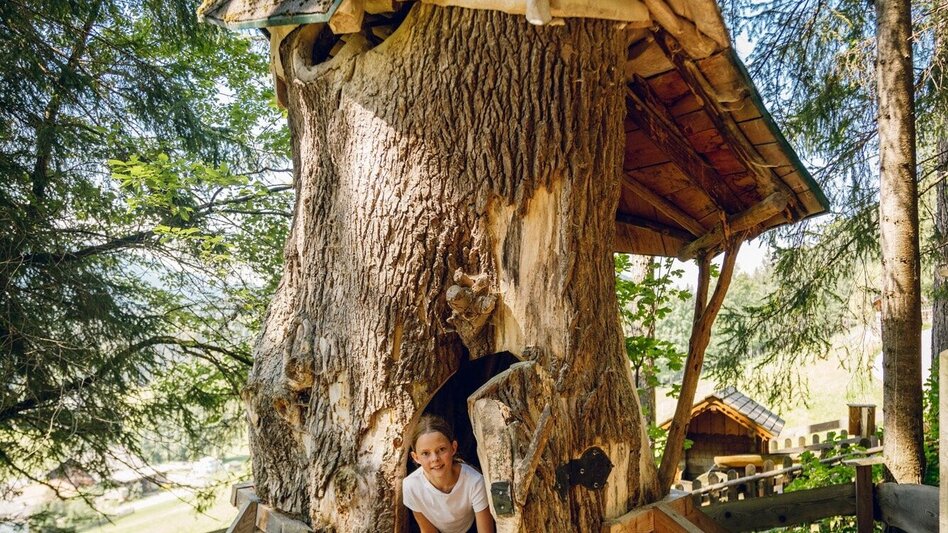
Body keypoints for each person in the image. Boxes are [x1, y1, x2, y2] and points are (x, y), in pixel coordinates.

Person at [402, 414, 495, 533]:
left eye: (441, 449)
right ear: (416, 457)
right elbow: (427, 530)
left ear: (453, 448)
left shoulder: (474, 482)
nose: (435, 459)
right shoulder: (411, 486)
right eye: (426, 453)